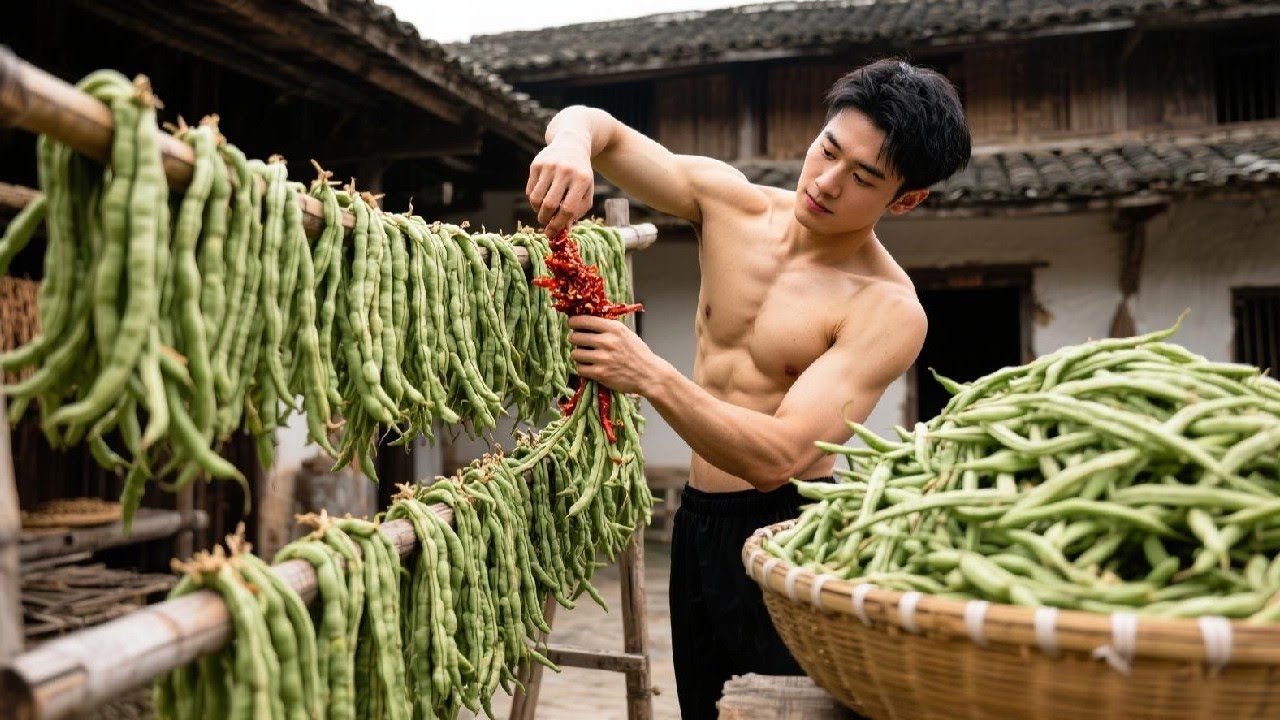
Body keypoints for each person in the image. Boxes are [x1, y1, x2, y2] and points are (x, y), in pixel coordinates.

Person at [525, 58, 971, 719]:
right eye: (827, 150)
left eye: (863, 178)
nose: (825, 181)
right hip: (697, 526)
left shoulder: (887, 310)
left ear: (904, 200)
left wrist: (649, 373)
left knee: (776, 710)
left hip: (791, 532)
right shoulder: (729, 202)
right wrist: (569, 143)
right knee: (703, 709)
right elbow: (602, 129)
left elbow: (781, 457)